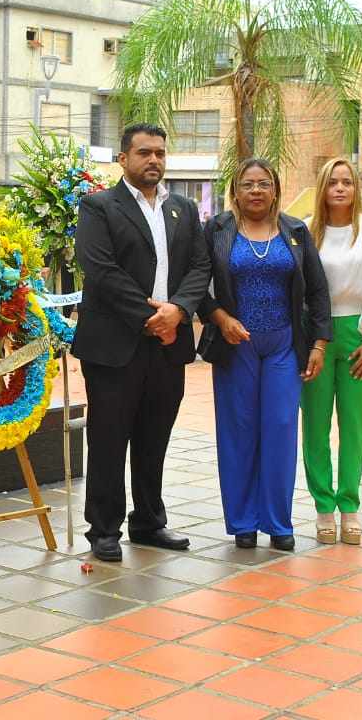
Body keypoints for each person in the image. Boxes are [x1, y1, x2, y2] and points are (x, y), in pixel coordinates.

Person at [72, 123, 211, 562]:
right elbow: (100, 269)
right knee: (110, 439)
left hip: (168, 345)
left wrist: (179, 311)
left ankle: (149, 522)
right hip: (116, 344)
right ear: (123, 159)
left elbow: (200, 266)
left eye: (160, 153)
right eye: (144, 153)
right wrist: (153, 316)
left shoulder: (183, 209)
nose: (154, 160)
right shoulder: (99, 207)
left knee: (155, 437)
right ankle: (104, 529)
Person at [199, 158, 330, 551]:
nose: (255, 191)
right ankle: (242, 522)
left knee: (280, 430)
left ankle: (277, 522)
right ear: (235, 191)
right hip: (235, 345)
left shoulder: (295, 231)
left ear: (275, 189)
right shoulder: (217, 230)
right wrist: (220, 317)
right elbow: (195, 286)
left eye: (263, 184)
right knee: (238, 432)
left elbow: (317, 291)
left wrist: (320, 344)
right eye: (247, 184)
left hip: (283, 346)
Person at [301, 158, 362, 546]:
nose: (340, 188)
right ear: (323, 188)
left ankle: (350, 507)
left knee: (354, 425)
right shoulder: (307, 232)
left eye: (347, 182)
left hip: (359, 334)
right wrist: (310, 341)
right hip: (318, 338)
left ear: (357, 189)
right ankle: (324, 508)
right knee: (315, 424)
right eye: (333, 182)